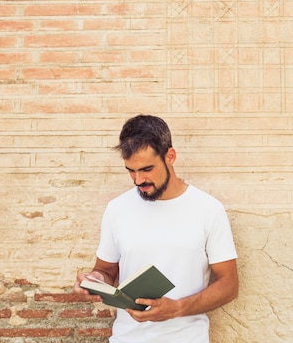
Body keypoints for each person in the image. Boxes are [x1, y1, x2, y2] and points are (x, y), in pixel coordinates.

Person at [74, 114, 239, 343]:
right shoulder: (117, 209)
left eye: (147, 169)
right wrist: (94, 279)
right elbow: (106, 270)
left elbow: (229, 285)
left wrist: (178, 308)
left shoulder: (208, 209)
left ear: (170, 156)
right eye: (131, 170)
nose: (138, 179)